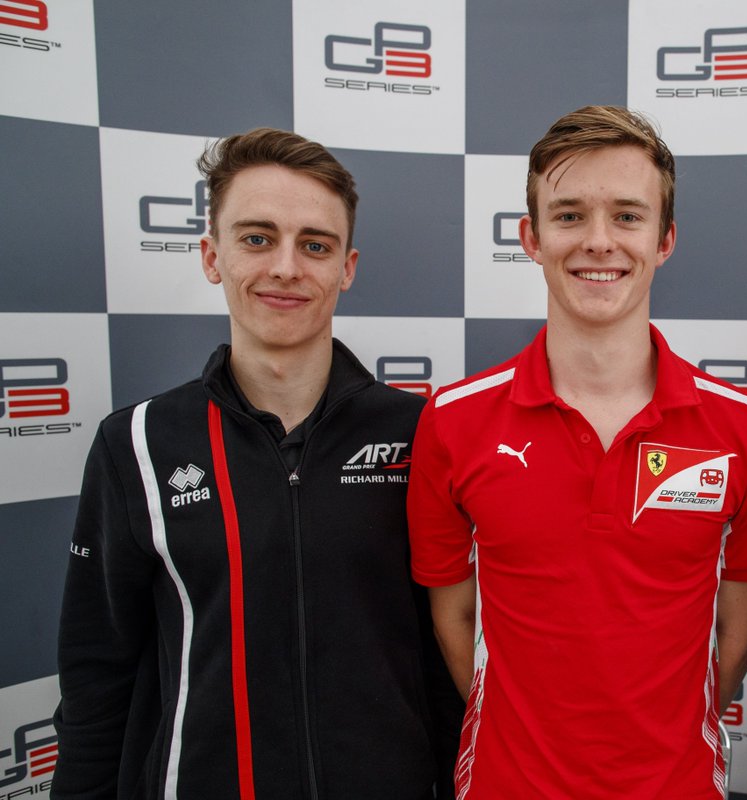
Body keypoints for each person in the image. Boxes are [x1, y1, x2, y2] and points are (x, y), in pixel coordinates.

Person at [53, 127, 461, 799]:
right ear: (213, 256)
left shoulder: (423, 435)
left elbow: (450, 658)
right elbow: (97, 674)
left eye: (315, 245)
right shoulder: (138, 443)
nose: (286, 268)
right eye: (257, 238)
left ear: (347, 268)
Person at [407, 105, 747, 799]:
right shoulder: (454, 421)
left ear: (665, 239)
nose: (599, 241)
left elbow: (737, 628)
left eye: (628, 216)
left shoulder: (742, 427)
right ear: (532, 236)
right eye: (570, 215)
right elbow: (453, 619)